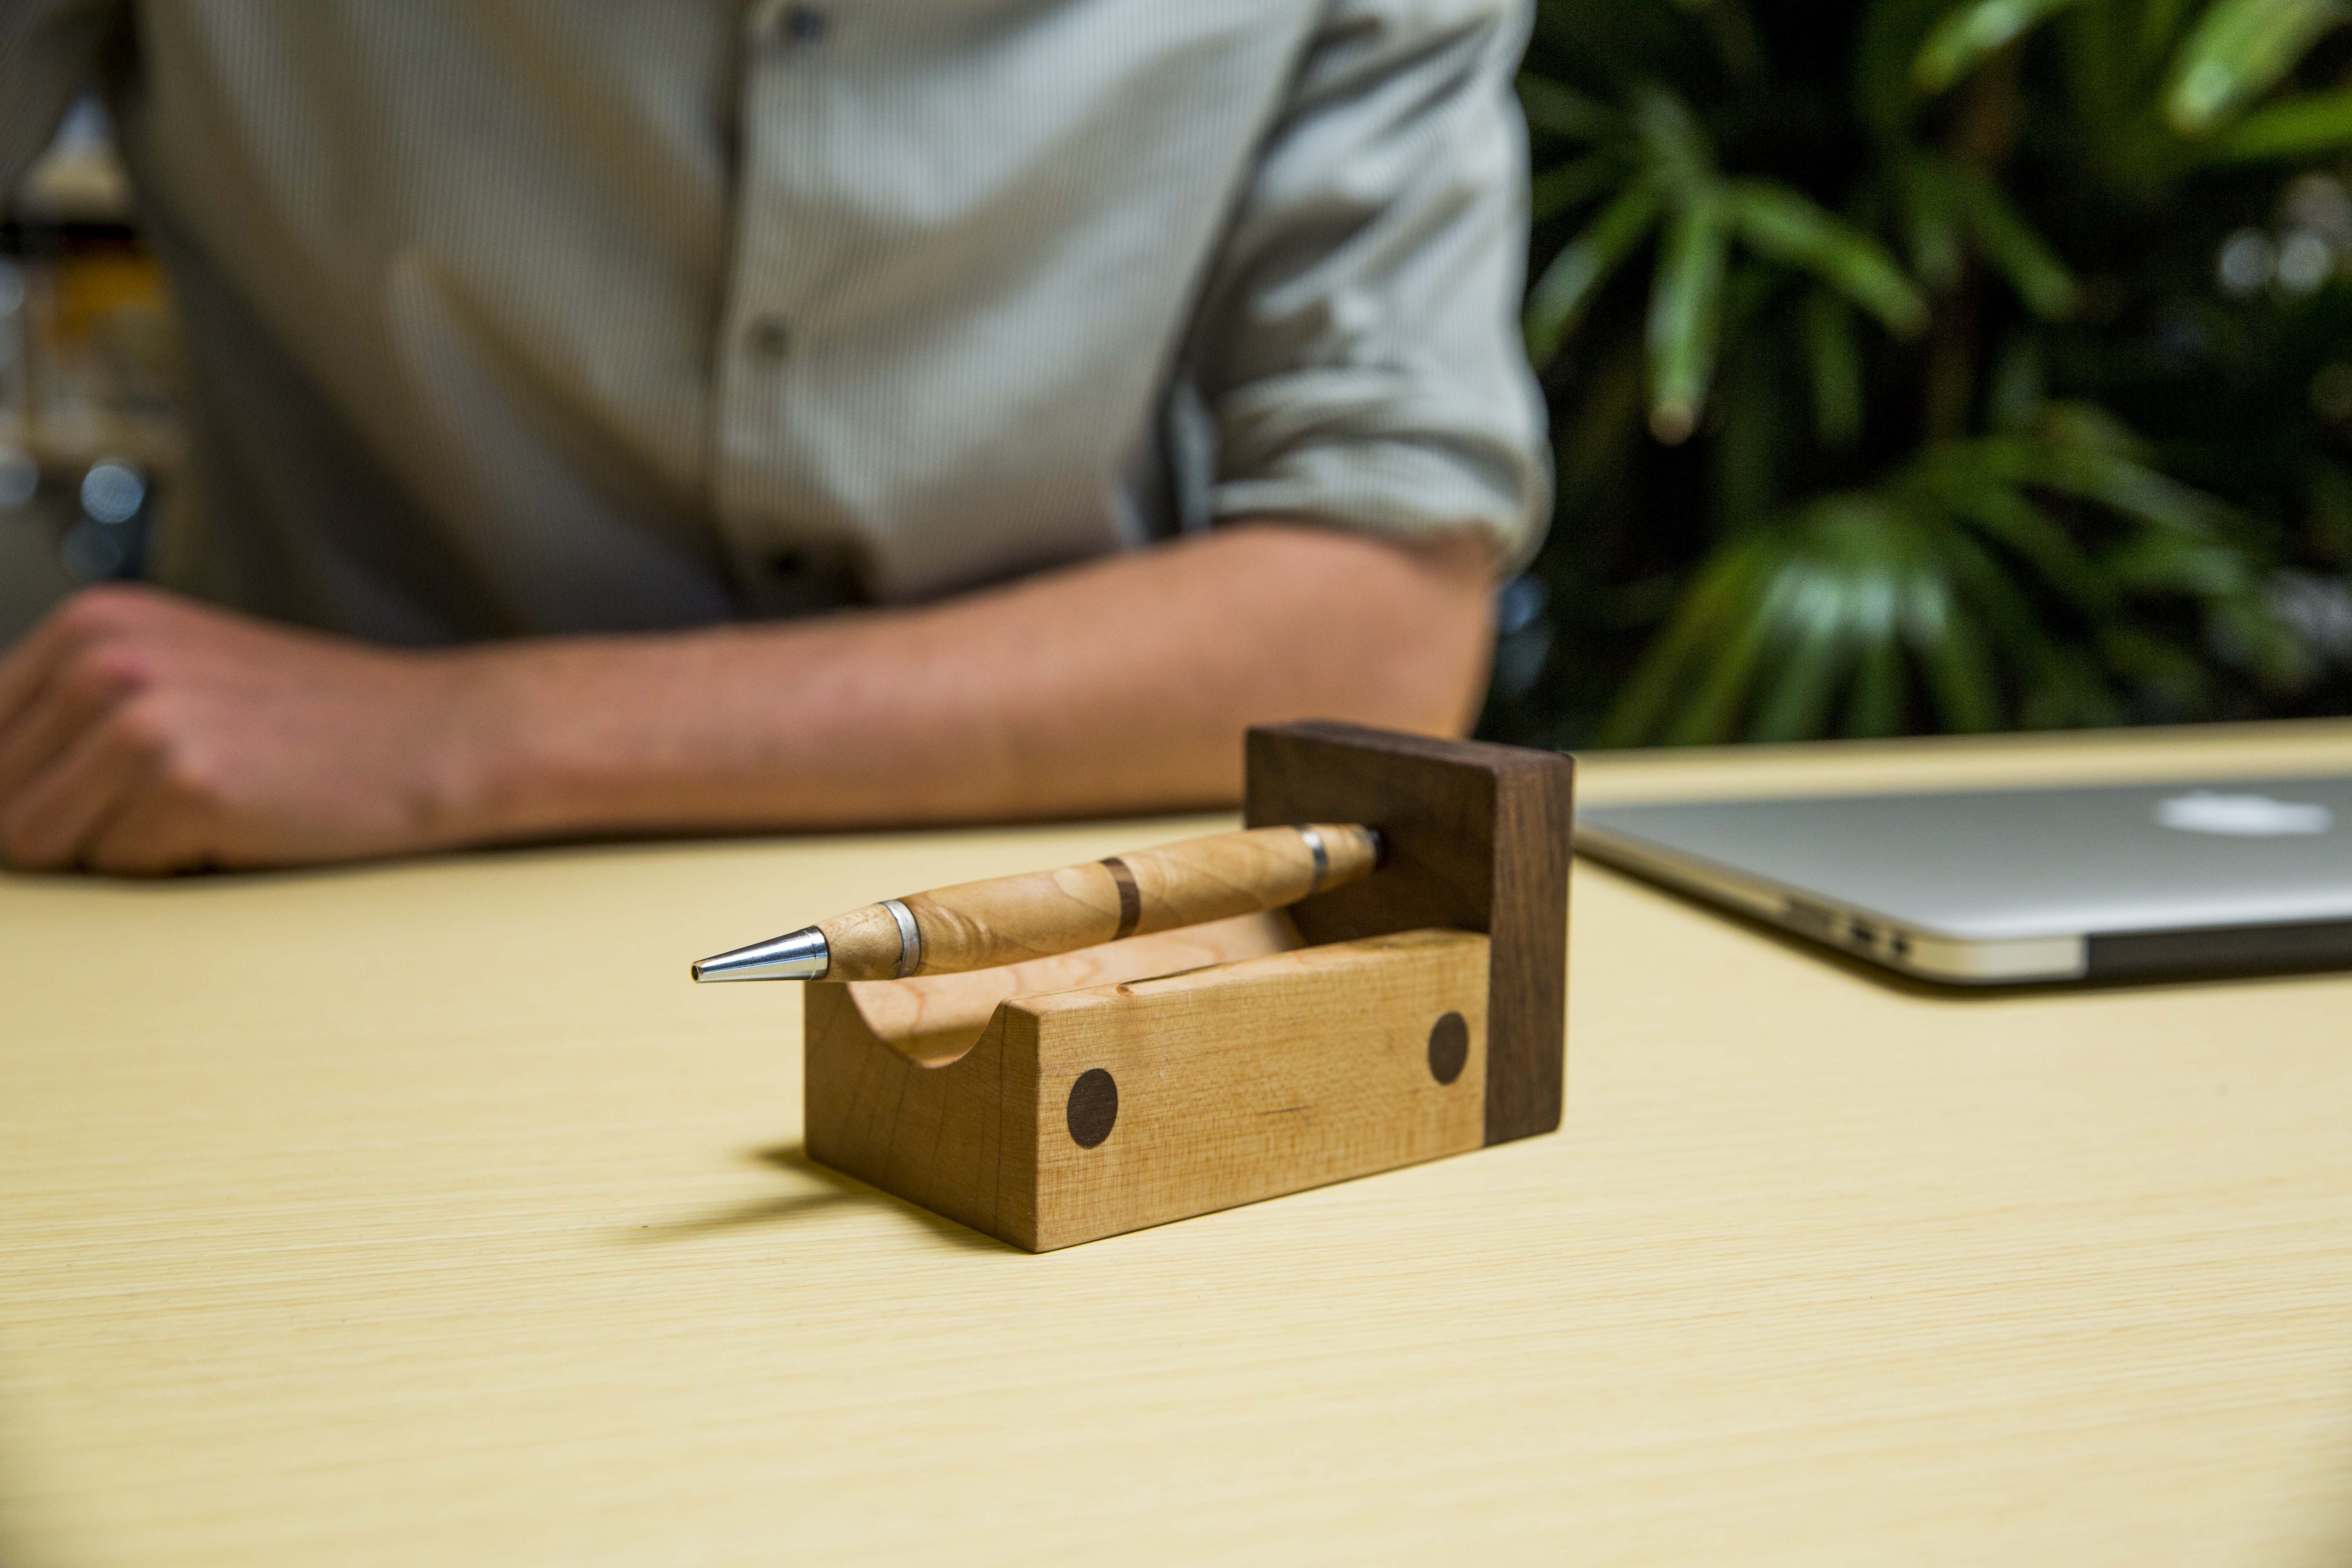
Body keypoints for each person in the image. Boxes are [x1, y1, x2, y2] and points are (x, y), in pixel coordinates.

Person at [0, 0, 1548, 874]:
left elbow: (1381, 623)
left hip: (1067, 909)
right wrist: (62, 702)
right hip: (261, 916)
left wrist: (456, 735)